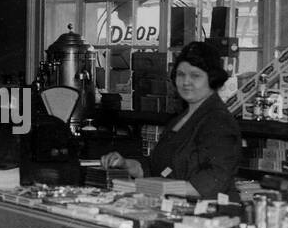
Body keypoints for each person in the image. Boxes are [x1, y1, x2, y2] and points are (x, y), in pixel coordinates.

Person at [101, 41, 241, 199]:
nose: (186, 82)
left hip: (211, 216)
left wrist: (152, 187)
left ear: (212, 79)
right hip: (175, 208)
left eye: (195, 75)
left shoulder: (219, 121)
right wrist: (125, 164)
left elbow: (211, 183)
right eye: (181, 74)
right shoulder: (179, 120)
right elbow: (157, 169)